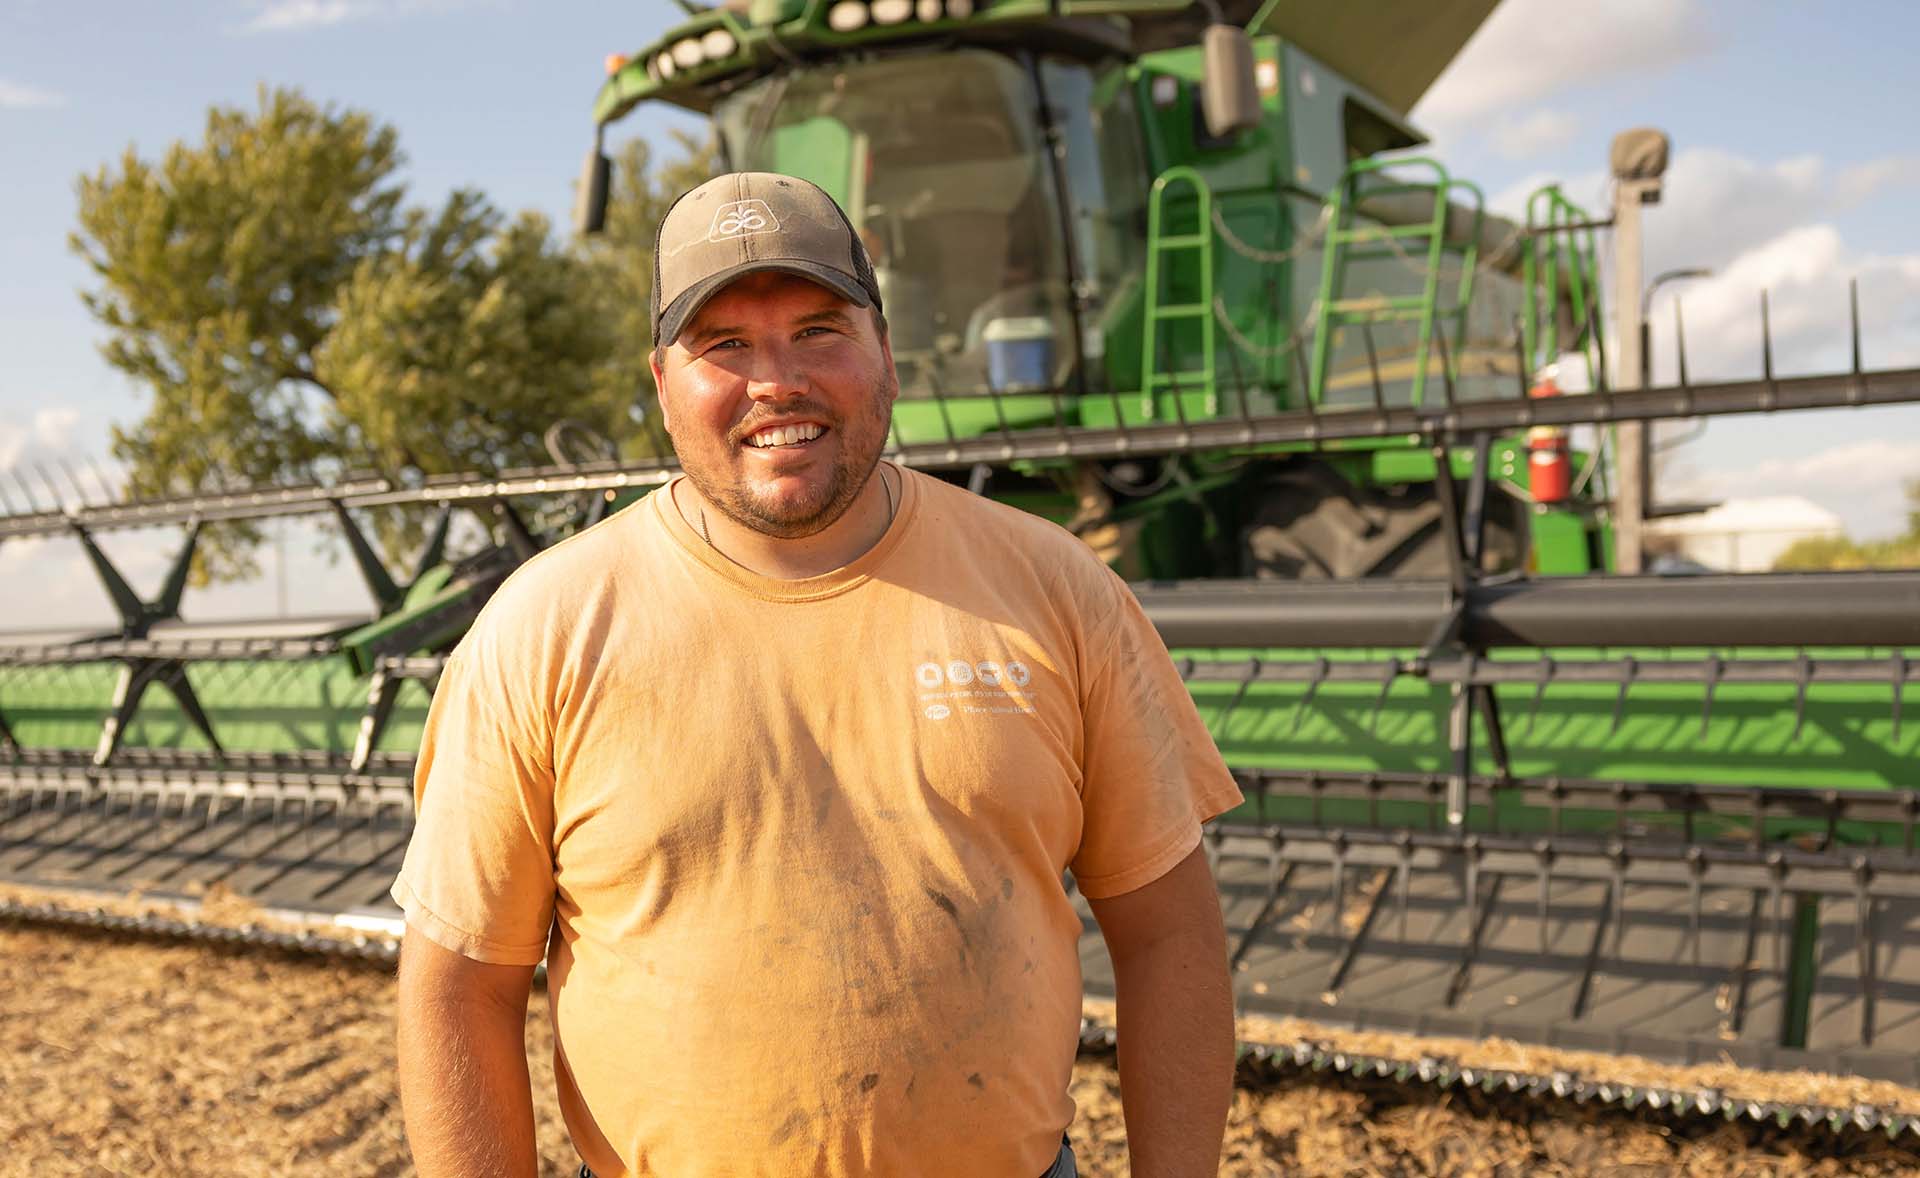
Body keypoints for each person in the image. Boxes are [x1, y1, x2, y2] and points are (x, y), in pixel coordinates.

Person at [392, 171, 1242, 1178]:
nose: (778, 379)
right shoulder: (544, 628)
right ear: (663, 381)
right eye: (726, 345)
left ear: (884, 350)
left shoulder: (1057, 590)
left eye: (818, 330)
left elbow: (1171, 938)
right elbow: (458, 987)